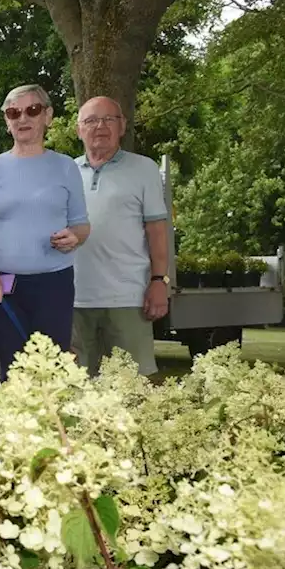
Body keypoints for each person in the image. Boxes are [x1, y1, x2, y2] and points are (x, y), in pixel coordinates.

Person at [0, 84, 89, 380]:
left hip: (54, 284)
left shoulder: (66, 167)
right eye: (13, 113)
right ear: (7, 122)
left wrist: (75, 237)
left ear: (47, 116)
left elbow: (82, 225)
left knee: (53, 368)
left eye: (32, 110)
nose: (23, 118)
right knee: (13, 369)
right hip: (4, 286)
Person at [70, 96, 170, 376]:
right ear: (79, 129)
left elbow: (157, 231)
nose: (99, 126)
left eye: (108, 119)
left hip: (127, 298)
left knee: (131, 388)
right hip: (73, 299)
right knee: (74, 391)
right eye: (90, 121)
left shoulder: (144, 169)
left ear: (122, 126)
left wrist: (159, 281)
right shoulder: (66, 171)